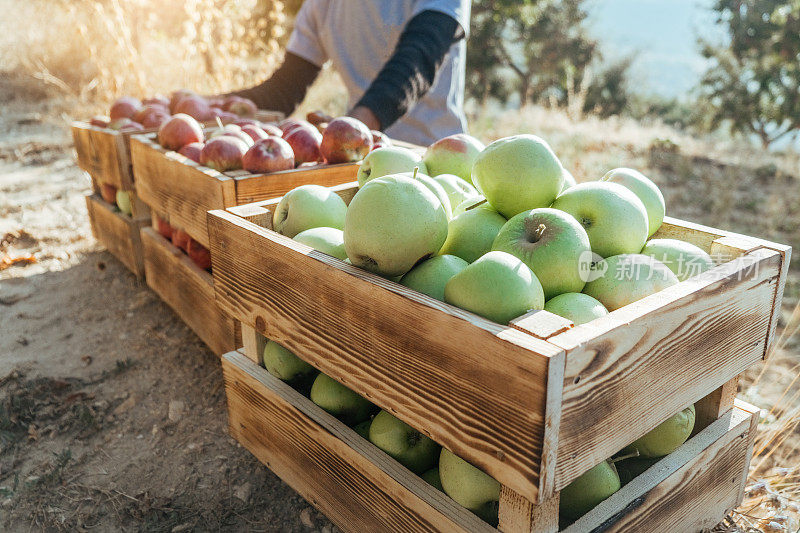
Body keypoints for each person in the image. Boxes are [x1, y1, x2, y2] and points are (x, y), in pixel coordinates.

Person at [231, 0, 471, 146]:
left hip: (435, 157)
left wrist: (351, 129)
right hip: (361, 160)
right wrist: (211, 105)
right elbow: (284, 89)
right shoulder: (321, 5)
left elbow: (418, 59)